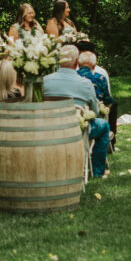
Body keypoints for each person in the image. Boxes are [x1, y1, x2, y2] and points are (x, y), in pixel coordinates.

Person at [44, 45, 109, 177]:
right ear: (76, 63)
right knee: (104, 126)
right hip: (78, 130)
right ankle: (98, 171)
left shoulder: (45, 81)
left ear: (58, 61)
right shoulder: (85, 84)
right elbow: (95, 112)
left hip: (50, 129)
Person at [78, 51, 117, 144]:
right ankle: (98, 156)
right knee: (105, 124)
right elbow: (107, 101)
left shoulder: (72, 77)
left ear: (78, 64)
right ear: (94, 66)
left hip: (74, 117)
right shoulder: (100, 79)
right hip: (94, 119)